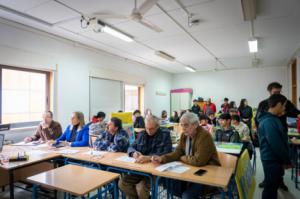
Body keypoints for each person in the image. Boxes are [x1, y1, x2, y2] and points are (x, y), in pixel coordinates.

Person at [152, 112, 220, 199]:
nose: (183, 128)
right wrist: (162, 158)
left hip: (207, 174)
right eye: (182, 125)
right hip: (191, 170)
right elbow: (178, 152)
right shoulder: (184, 135)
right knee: (167, 182)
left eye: (186, 125)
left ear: (195, 125)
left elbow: (198, 161)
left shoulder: (204, 136)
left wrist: (182, 158)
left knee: (187, 196)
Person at [255, 82, 300, 190]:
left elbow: (295, 112)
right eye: (275, 92)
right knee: (269, 161)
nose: (277, 94)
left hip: (281, 132)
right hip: (268, 134)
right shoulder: (263, 104)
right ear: (269, 92)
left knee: (278, 163)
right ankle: (268, 180)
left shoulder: (286, 102)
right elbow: (257, 119)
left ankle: (280, 181)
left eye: (279, 92)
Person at [118, 115, 172, 199]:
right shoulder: (142, 134)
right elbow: (131, 146)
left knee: (141, 188)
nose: (149, 131)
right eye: (147, 128)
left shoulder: (165, 135)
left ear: (157, 126)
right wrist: (134, 153)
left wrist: (149, 158)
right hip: (140, 169)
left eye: (151, 129)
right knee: (122, 183)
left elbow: (167, 152)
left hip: (155, 171)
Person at [258, 94, 292, 199]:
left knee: (274, 184)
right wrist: (287, 160)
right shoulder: (269, 121)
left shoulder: (273, 118)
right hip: (271, 159)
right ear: (278, 104)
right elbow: (276, 145)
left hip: (274, 159)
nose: (284, 108)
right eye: (284, 105)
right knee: (270, 188)